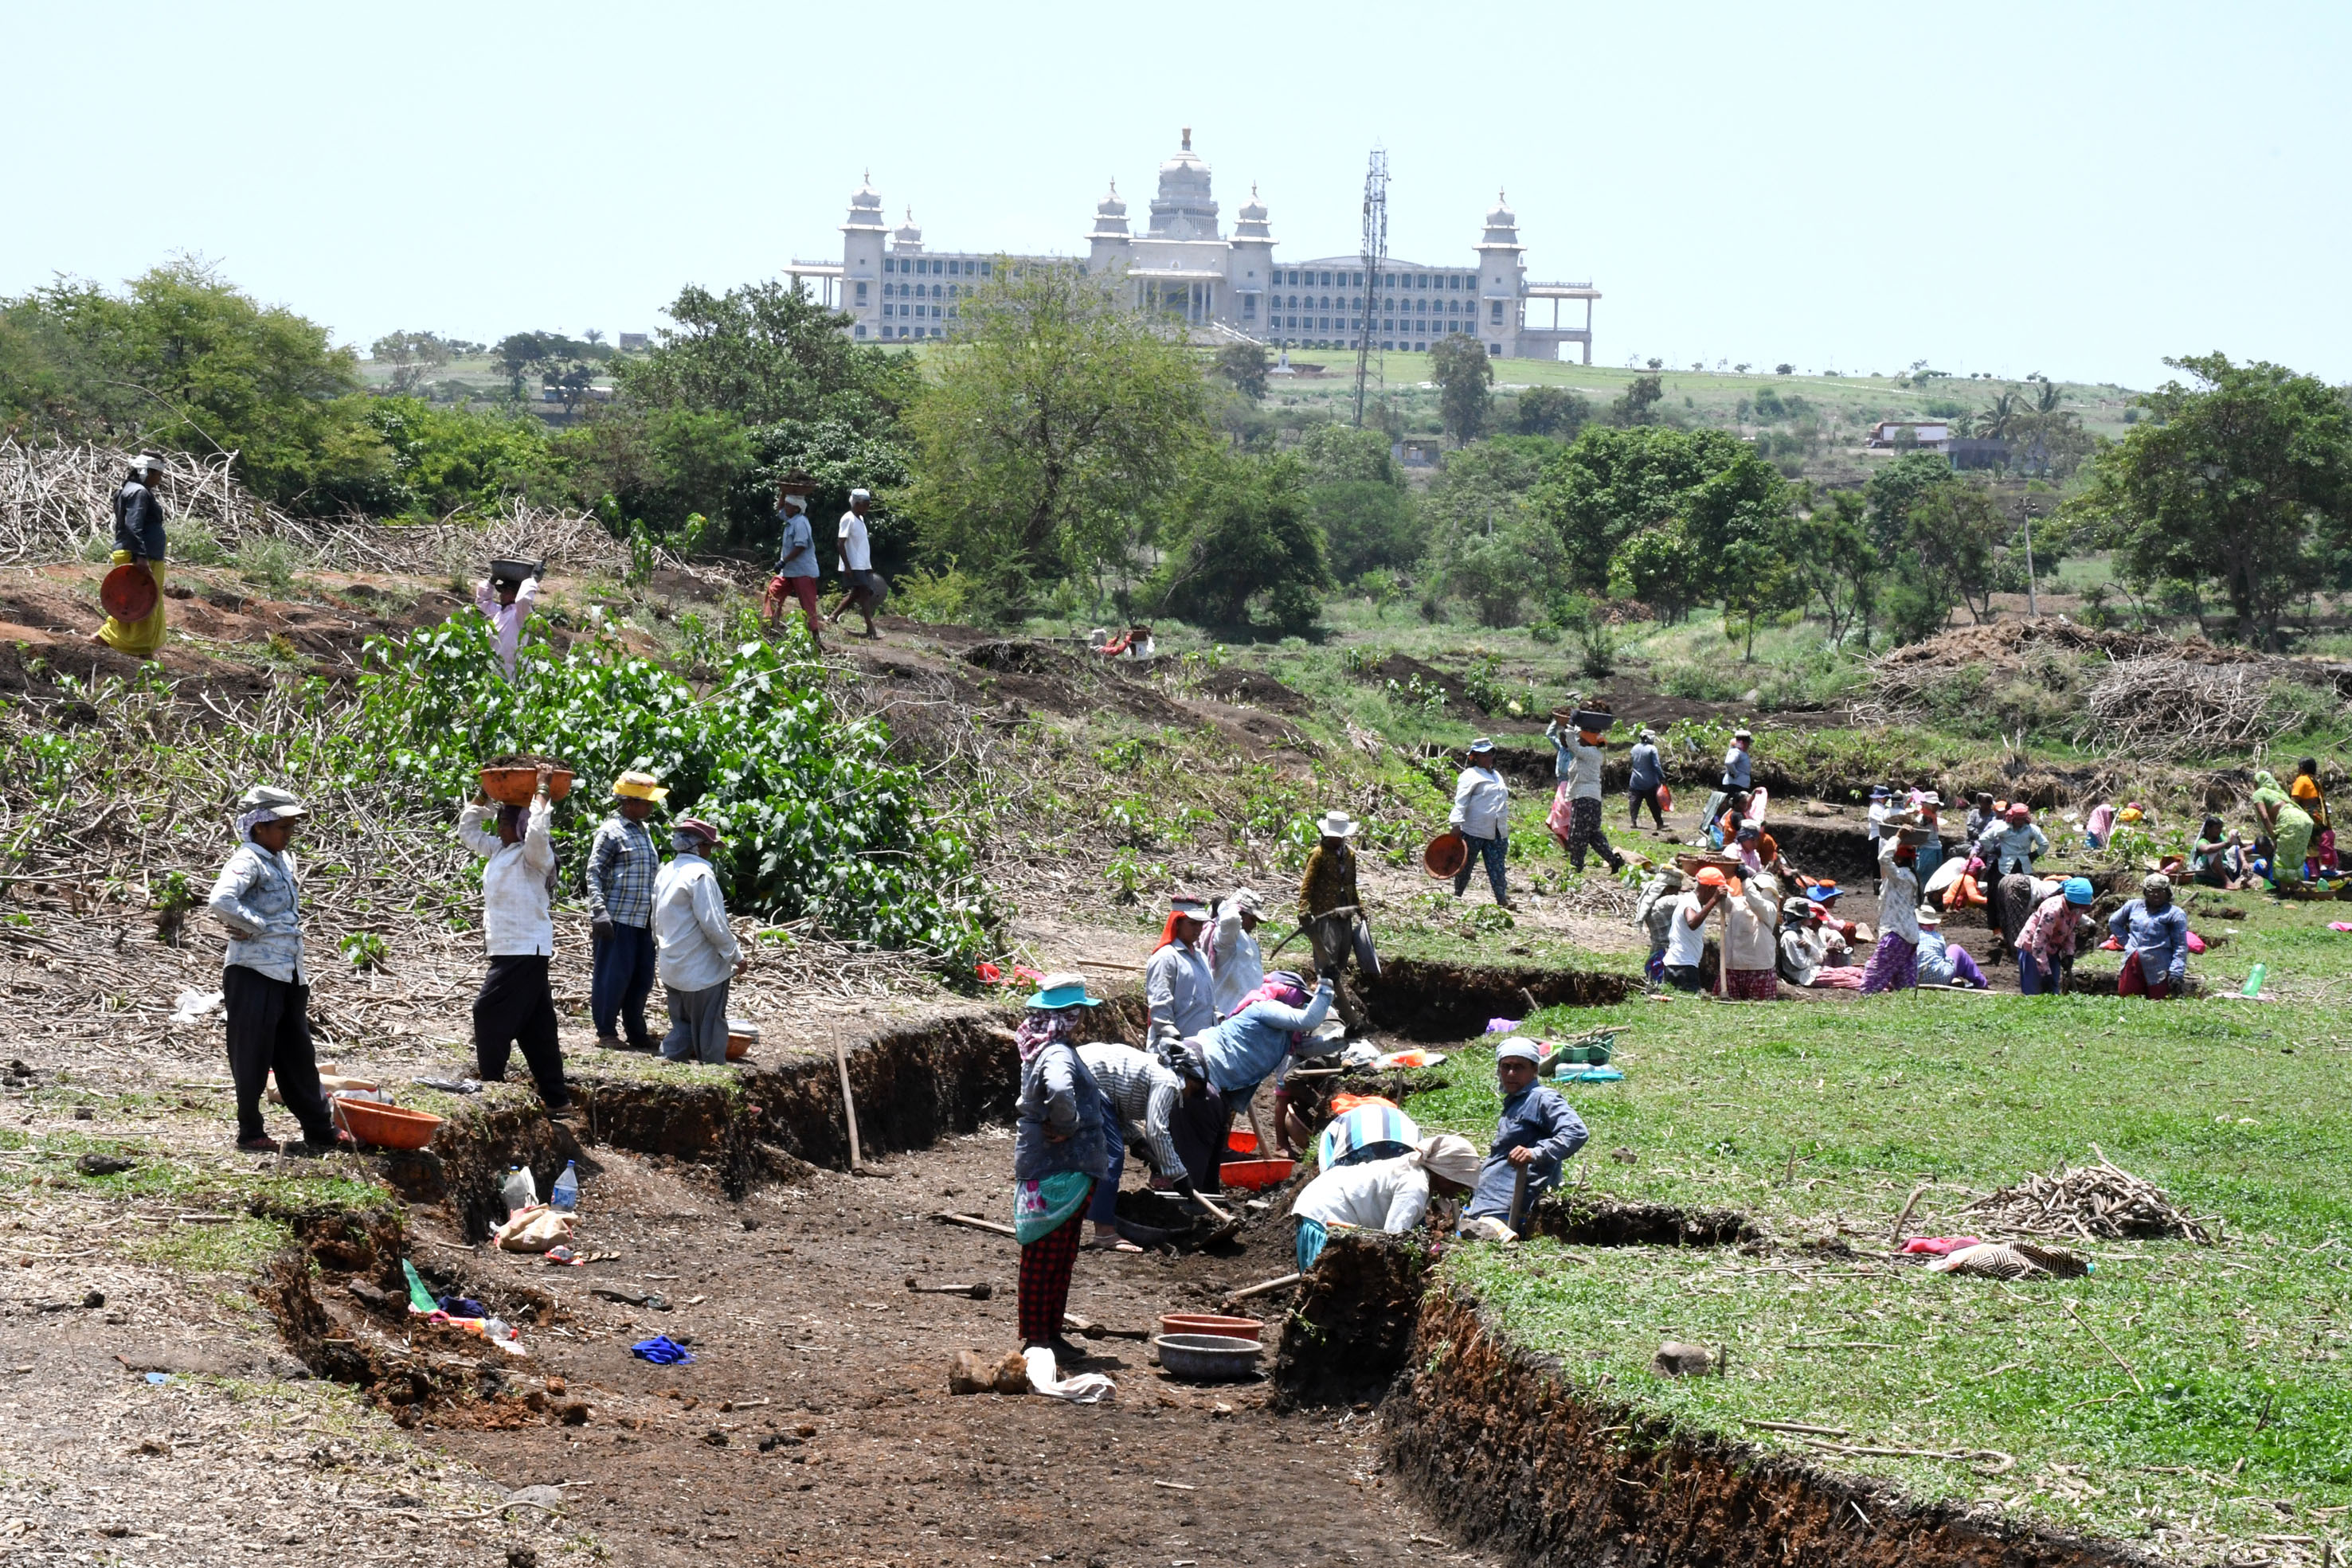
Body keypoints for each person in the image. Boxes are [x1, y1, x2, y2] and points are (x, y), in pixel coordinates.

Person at [207, 786, 342, 1153]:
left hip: (288, 971)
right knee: (251, 1052)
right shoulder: (247, 860)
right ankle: (250, 1131)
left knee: (297, 1052)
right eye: (281, 827)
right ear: (259, 827)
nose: (288, 834)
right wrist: (256, 925)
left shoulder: (281, 861)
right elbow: (221, 899)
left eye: (289, 827)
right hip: (254, 971)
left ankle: (320, 1128)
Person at [456, 764, 570, 1116]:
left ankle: (492, 1083)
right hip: (512, 948)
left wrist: (541, 789)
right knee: (537, 1027)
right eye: (500, 822)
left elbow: (538, 831)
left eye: (506, 822)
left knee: (487, 1010)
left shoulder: (534, 856)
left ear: (520, 826)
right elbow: (467, 831)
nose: (500, 827)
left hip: (524, 949)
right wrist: (484, 797)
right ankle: (557, 1099)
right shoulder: (501, 851)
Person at [1011, 975, 1110, 1360]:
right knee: (1045, 1255)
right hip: (1059, 1167)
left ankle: (1048, 1334)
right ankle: (1037, 1338)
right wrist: (1067, 1126)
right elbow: (1059, 1090)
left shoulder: (1046, 1048)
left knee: (1058, 1253)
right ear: (1072, 1015)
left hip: (1058, 1166)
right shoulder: (1056, 1054)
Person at [1185, 968, 1336, 1155]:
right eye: (1298, 999)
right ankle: (1175, 1172)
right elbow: (1309, 1020)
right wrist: (1327, 986)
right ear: (1283, 992)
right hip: (1202, 1064)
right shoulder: (1265, 1007)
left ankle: (1215, 1157)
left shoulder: (1284, 1034)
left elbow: (1308, 1047)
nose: (1300, 1004)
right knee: (1192, 1132)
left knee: (1212, 1127)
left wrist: (1345, 1036)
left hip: (1219, 1077)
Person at [1289, 1133, 1481, 1272]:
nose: (1460, 1191)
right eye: (1460, 1183)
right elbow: (1392, 1240)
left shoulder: (1420, 1175)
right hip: (1324, 1211)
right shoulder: (1414, 1187)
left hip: (1321, 1199)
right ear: (1446, 1175)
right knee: (1325, 1292)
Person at [1462, 1038, 1590, 1233]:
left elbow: (1576, 1132)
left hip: (1509, 1206)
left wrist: (1535, 1153)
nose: (1511, 1073)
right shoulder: (1515, 1101)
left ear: (1535, 1069)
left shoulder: (1542, 1098)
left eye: (1519, 1067)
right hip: (1488, 1200)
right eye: (1506, 1066)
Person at [1077, 1039, 1191, 1253]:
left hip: (1084, 1074)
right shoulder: (1169, 1081)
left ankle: (1061, 1222)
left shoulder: (1157, 1071)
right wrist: (1179, 1175)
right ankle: (1105, 1233)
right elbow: (1156, 1130)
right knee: (1111, 1156)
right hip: (1085, 1078)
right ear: (1191, 1077)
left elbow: (1115, 1104)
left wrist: (1136, 1140)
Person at [652, 819, 747, 1063]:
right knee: (710, 1027)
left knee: (682, 1025)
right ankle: (714, 1077)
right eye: (709, 847)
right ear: (700, 846)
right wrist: (735, 955)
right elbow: (713, 924)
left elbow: (655, 918)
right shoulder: (701, 875)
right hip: (701, 971)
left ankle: (667, 1062)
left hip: (672, 966)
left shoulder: (667, 871)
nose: (710, 852)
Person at [586, 770, 666, 1053]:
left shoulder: (643, 831)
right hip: (617, 917)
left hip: (643, 919)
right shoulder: (612, 831)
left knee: (641, 978)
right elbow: (594, 872)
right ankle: (606, 1031)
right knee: (612, 976)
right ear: (629, 802)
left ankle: (636, 1032)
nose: (650, 807)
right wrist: (599, 912)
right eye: (645, 802)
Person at [1297, 812, 1376, 1033]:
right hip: (1326, 915)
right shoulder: (1318, 855)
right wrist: (1304, 910)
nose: (1337, 839)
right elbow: (1308, 884)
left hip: (1345, 915)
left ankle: (1335, 1002)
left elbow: (1351, 885)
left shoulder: (1349, 855)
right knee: (1327, 961)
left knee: (1341, 958)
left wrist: (1359, 907)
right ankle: (1324, 1007)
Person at [95, 453, 170, 658]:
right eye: (159, 475)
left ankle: (105, 637)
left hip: (132, 552)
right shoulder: (139, 493)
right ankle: (142, 651)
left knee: (128, 599)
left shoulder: (128, 490)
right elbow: (133, 525)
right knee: (145, 602)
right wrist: (141, 557)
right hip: (139, 556)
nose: (160, 479)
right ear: (149, 472)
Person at [1545, 715, 1625, 875]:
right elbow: (1574, 742)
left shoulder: (1588, 753)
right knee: (1594, 834)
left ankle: (1576, 866)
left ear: (1587, 742)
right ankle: (1614, 861)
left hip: (1585, 799)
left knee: (1577, 834)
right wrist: (1575, 727)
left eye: (1581, 739)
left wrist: (1570, 723)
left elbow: (1572, 744)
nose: (1578, 741)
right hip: (1592, 800)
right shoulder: (1589, 753)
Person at [1145, 893, 1217, 1047]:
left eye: (1200, 924)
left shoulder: (1201, 957)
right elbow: (1160, 1000)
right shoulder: (1166, 957)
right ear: (1177, 923)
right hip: (1176, 1047)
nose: (1198, 929)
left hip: (1204, 1044)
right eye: (1192, 924)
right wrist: (1169, 1033)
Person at [1978, 804, 2050, 958]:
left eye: (2021, 819)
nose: (2019, 822)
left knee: (2025, 899)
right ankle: (2002, 931)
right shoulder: (2003, 828)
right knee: (1999, 900)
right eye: (2017, 819)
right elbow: (1984, 838)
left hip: (2022, 866)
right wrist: (1994, 850)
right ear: (2012, 818)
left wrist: (2034, 855)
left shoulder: (2032, 830)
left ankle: (2023, 931)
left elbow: (2045, 844)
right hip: (2006, 866)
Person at [761, 472, 824, 649]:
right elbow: (779, 509)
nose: (785, 508)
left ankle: (816, 639)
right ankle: (769, 627)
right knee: (773, 592)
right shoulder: (791, 519)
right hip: (789, 571)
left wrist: (783, 561)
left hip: (803, 571)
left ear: (796, 508)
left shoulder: (800, 523)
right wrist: (783, 491)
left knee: (808, 604)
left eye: (789, 506)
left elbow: (800, 546)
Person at [1448, 737, 1513, 908]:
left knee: (1497, 866)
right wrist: (1456, 824)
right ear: (1475, 757)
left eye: (1490, 754)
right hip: (1474, 830)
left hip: (1497, 829)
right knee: (1465, 865)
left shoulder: (1496, 776)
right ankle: (1458, 895)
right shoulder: (1470, 776)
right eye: (1483, 755)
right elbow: (1460, 801)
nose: (1488, 758)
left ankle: (1502, 899)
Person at [1861, 827, 1924, 993]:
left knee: (1872, 980)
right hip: (1910, 936)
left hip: (1896, 935)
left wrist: (1897, 837)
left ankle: (1866, 1007)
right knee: (1905, 985)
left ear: (1897, 857)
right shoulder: (1909, 876)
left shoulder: (1900, 875)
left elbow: (1883, 858)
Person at [2111, 873, 2190, 1000]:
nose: (2155, 895)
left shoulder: (2175, 914)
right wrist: (2128, 943)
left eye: (2160, 891)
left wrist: (2177, 971)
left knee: (2160, 1003)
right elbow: (2114, 922)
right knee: (2128, 999)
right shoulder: (2133, 906)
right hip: (2133, 963)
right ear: (2145, 892)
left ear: (2167, 892)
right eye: (2151, 891)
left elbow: (2180, 946)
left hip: (2159, 966)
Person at [2017, 876, 2094, 995]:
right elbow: (2038, 944)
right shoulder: (2053, 911)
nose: (2081, 909)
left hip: (2052, 949)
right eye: (2080, 905)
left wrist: (2069, 953)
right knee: (2034, 993)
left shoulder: (2076, 909)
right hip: (2032, 949)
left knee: (2053, 991)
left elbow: (2070, 931)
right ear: (2072, 900)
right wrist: (2045, 972)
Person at [830, 487, 888, 639]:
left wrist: (868, 566)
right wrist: (847, 566)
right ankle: (871, 629)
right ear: (857, 504)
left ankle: (833, 616)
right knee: (864, 595)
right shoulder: (848, 518)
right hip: (854, 565)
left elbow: (862, 545)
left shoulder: (860, 520)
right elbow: (840, 543)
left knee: (857, 593)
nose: (868, 508)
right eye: (866, 504)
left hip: (862, 565)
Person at [1661, 866, 1726, 993]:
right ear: (1709, 888)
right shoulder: (1690, 902)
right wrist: (1714, 900)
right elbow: (1692, 923)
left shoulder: (1694, 902)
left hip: (1682, 963)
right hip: (1682, 965)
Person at [475, 561, 544, 680]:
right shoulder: (499, 613)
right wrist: (492, 580)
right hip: (494, 673)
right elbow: (482, 602)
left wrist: (532, 579)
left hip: (511, 677)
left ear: (515, 595)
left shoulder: (520, 616)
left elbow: (524, 600)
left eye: (506, 592)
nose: (501, 595)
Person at [1720, 870, 1782, 1002]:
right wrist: (1718, 881)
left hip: (1758, 968)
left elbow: (1756, 902)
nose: (1755, 890)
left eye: (1759, 888)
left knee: (1759, 1007)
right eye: (1755, 887)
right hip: (1733, 966)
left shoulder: (1769, 908)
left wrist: (1745, 880)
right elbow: (1724, 903)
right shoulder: (1739, 903)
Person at [1779, 897, 1865, 989]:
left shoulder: (1800, 932)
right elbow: (1801, 965)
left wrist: (1811, 949)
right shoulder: (1790, 937)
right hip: (1808, 976)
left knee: (1855, 971)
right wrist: (1815, 954)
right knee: (1850, 979)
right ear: (1799, 918)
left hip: (1815, 970)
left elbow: (1818, 957)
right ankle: (1876, 987)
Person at [2250, 771, 2314, 893]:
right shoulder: (2279, 793)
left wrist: (2273, 836)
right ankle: (2296, 889)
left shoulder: (2259, 793)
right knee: (2297, 855)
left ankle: (2284, 891)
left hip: (2289, 821)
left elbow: (2264, 816)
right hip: (2305, 820)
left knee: (2282, 856)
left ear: (2258, 782)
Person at [1316, 1097, 1423, 1169]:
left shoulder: (1340, 1120)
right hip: (1405, 1155)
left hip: (1357, 1157)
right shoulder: (1401, 1116)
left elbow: (1325, 1164)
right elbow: (1423, 1149)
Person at [1208, 887, 1266, 1018]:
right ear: (1240, 913)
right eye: (1252, 920)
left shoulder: (1248, 941)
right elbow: (1232, 919)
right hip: (1228, 1014)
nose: (1254, 926)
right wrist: (1225, 906)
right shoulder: (1225, 940)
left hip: (1249, 1014)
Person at [1632, 866, 1690, 983]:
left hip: (1656, 953)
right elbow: (1694, 900)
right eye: (1676, 890)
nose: (1677, 893)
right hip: (1666, 954)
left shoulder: (1653, 903)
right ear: (1668, 889)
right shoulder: (1666, 903)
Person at [1913, 907, 1990, 989]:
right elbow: (1943, 958)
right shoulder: (1938, 938)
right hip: (1941, 979)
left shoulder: (1910, 937)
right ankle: (1981, 983)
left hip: (1914, 979)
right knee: (1956, 949)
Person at [1702, 728, 1753, 835]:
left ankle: (1726, 826)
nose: (1749, 745)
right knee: (1732, 806)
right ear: (1744, 742)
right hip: (1736, 784)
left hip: (1737, 783)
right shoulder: (1737, 752)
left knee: (1730, 806)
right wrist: (1735, 773)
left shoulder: (1738, 751)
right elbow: (1729, 763)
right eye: (1748, 742)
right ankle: (1722, 826)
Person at [2291, 759, 2335, 874]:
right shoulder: (2315, 781)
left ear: (2301, 768)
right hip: (2319, 816)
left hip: (2308, 816)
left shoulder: (2302, 779)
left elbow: (2294, 800)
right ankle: (2321, 872)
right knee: (2317, 847)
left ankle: (2313, 874)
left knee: (2309, 847)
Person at [2191, 816, 2256, 890]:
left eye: (2221, 828)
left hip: (2220, 868)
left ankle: (2242, 880)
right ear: (2208, 829)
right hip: (2206, 871)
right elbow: (2207, 849)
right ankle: (2227, 881)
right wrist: (2227, 842)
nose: (2220, 831)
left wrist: (2236, 839)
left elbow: (2235, 845)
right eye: (2217, 828)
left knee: (2236, 849)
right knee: (2213, 852)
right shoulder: (2202, 841)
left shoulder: (2220, 838)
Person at [1626, 727, 1666, 831]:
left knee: (1634, 802)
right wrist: (1662, 777)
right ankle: (1659, 823)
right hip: (1650, 782)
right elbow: (1656, 765)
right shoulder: (1652, 749)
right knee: (1654, 804)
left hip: (1635, 781)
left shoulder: (1634, 748)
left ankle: (1633, 821)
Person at [1910, 791, 1946, 889]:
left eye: (1936, 805)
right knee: (1926, 878)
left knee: (1935, 877)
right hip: (1926, 850)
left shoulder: (1933, 817)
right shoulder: (1922, 819)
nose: (1936, 807)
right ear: (1927, 805)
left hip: (1936, 849)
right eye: (1934, 805)